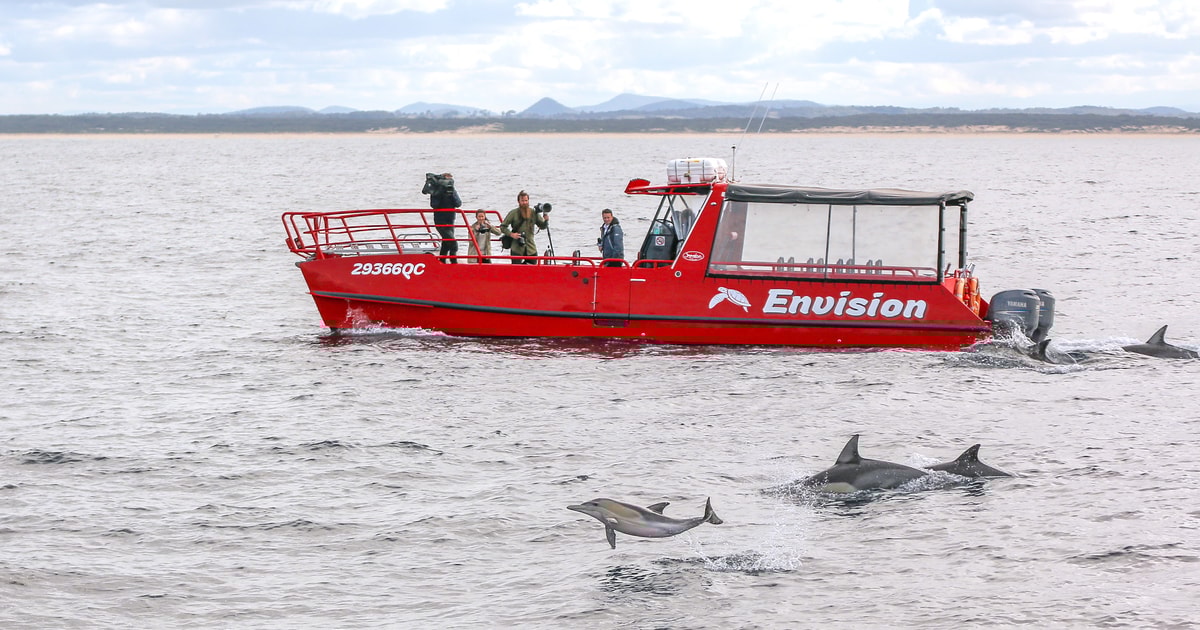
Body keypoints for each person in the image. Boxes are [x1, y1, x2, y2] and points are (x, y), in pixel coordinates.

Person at [423, 172, 462, 263]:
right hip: (440, 220)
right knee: (453, 244)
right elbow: (434, 205)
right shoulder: (436, 191)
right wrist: (440, 193)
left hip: (450, 220)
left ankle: (442, 261)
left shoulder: (452, 190)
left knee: (446, 242)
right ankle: (454, 263)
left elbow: (458, 203)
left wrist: (451, 193)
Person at [500, 190, 548, 264]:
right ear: (518, 201)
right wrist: (511, 234)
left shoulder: (533, 213)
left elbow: (542, 226)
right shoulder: (513, 213)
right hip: (516, 247)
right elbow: (503, 227)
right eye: (522, 201)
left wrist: (546, 221)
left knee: (533, 269)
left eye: (526, 200)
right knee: (516, 270)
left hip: (531, 247)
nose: (524, 203)